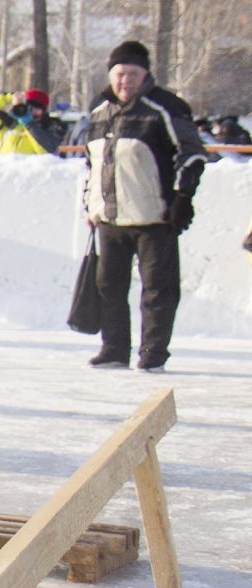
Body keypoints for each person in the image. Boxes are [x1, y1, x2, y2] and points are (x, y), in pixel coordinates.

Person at [82, 40, 206, 372]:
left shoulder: (164, 107)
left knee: (157, 290)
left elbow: (191, 154)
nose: (126, 81)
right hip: (110, 218)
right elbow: (92, 164)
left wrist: (183, 198)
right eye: (120, 74)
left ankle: (153, 353)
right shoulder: (99, 111)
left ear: (145, 74)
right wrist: (89, 206)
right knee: (109, 286)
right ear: (111, 75)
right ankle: (114, 348)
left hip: (154, 217)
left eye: (133, 74)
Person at [0, 88, 62, 155]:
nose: (32, 112)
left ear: (43, 111)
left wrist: (29, 124)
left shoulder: (47, 128)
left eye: (36, 109)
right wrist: (9, 97)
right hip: (5, 170)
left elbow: (45, 152)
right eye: (29, 108)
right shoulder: (7, 123)